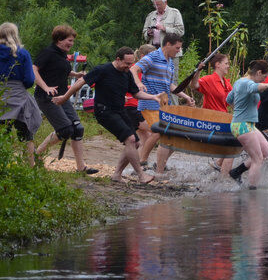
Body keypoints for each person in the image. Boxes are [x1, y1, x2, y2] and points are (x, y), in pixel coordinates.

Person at [55, 47, 161, 183]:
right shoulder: (102, 70)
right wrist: (64, 97)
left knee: (135, 143)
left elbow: (136, 93)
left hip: (120, 111)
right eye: (127, 64)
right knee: (131, 140)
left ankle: (117, 174)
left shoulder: (127, 73)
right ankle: (141, 175)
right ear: (118, 59)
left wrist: (153, 97)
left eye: (131, 63)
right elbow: (81, 82)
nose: (129, 67)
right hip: (104, 111)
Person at [32, 25, 97, 174]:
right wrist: (45, 87)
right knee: (65, 129)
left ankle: (81, 168)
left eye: (73, 41)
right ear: (59, 39)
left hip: (62, 96)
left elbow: (62, 71)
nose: (71, 44)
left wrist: (77, 75)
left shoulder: (62, 54)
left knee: (78, 129)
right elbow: (33, 69)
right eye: (69, 40)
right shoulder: (48, 53)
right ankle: (38, 154)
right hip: (47, 97)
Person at [131, 33, 193, 177]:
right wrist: (139, 83)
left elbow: (170, 85)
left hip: (165, 105)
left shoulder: (170, 62)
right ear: (168, 45)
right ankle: (141, 163)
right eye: (177, 48)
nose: (179, 51)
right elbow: (134, 69)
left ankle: (159, 165)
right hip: (149, 102)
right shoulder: (152, 57)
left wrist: (186, 97)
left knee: (174, 136)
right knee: (159, 131)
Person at [226, 60, 268, 188]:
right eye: (264, 77)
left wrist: (240, 109)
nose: (263, 80)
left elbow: (229, 99)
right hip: (242, 125)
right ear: (259, 72)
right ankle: (252, 191)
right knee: (257, 159)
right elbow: (255, 88)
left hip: (249, 125)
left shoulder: (239, 82)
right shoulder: (246, 83)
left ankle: (236, 172)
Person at [0, 22, 43, 163]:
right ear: (14, 34)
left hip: (1, 97)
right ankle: (30, 168)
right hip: (19, 98)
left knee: (2, 136)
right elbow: (30, 80)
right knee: (26, 136)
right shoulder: (22, 53)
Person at [195, 53, 235, 173]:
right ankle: (223, 175)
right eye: (226, 63)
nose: (228, 66)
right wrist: (197, 71)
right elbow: (194, 85)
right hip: (212, 121)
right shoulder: (209, 79)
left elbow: (233, 102)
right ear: (218, 65)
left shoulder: (226, 83)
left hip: (224, 120)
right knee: (234, 142)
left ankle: (218, 166)